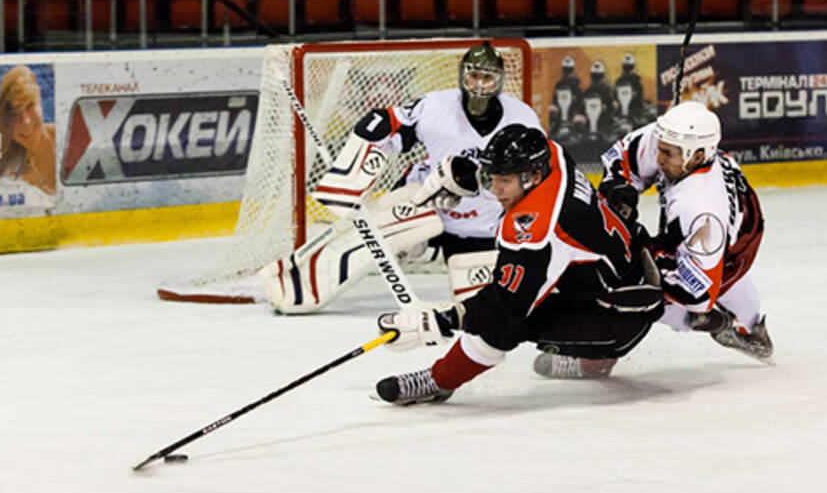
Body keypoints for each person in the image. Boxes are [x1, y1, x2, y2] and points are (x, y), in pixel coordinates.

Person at [373, 124, 664, 405]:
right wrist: (467, 176)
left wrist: (438, 321)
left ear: (533, 176)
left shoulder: (537, 227)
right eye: (492, 178)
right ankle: (595, 356)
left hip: (618, 320)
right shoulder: (553, 155)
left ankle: (438, 382)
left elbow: (504, 308)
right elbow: (510, 164)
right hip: (632, 274)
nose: (496, 190)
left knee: (506, 325)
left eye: (504, 181)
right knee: (553, 283)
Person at [264, 42, 543, 313]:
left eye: (487, 77)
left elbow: (538, 171)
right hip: (426, 202)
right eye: (473, 76)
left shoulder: (522, 117)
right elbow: (383, 123)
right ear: (462, 75)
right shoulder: (436, 107)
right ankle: (302, 283)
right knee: (399, 221)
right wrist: (351, 177)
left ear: (501, 80)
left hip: (484, 226)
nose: (479, 85)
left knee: (484, 312)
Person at [542, 101, 772, 379]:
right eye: (660, 147)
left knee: (634, 292)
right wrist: (618, 188)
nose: (659, 157)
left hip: (734, 246)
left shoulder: (700, 208)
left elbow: (697, 291)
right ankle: (753, 327)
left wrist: (649, 265)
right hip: (726, 227)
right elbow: (625, 158)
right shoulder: (675, 142)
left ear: (697, 156)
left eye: (667, 153)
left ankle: (597, 360)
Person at [0, 65, 56, 195]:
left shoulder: (65, 137)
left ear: (40, 102)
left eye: (30, 105)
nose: (26, 121)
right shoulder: (6, 165)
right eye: (15, 113)